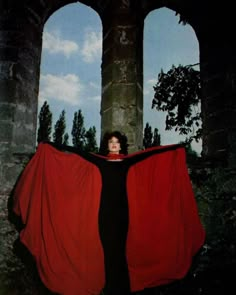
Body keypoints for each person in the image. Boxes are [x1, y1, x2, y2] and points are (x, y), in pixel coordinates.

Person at [13, 131, 205, 295]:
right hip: (104, 213)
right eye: (111, 142)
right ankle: (107, 286)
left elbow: (150, 155)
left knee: (122, 249)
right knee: (107, 248)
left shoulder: (128, 162)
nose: (114, 145)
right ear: (107, 145)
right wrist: (51, 145)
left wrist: (174, 150)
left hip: (123, 213)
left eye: (117, 142)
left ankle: (120, 288)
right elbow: (77, 153)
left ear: (121, 145)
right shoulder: (100, 162)